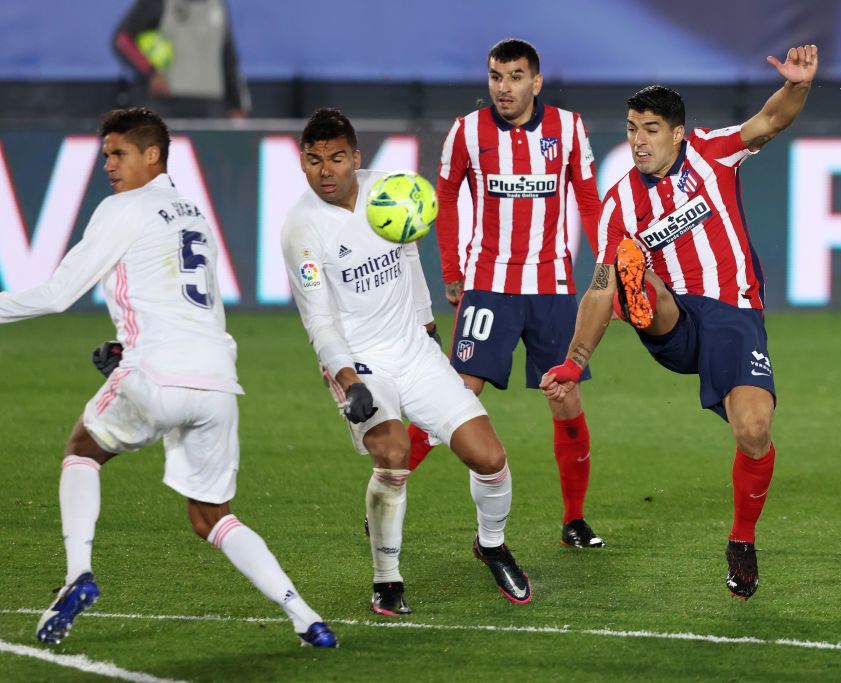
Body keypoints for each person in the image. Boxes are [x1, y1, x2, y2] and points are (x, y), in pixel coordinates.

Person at [0, 108, 336, 648]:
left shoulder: (122, 209)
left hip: (156, 372)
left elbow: (56, 295)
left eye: (118, 153)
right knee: (212, 516)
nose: (107, 164)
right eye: (105, 154)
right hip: (218, 382)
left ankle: (78, 575)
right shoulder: (191, 212)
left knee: (83, 449)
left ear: (151, 154)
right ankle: (306, 617)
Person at [541, 45, 820, 599]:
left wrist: (799, 85)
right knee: (625, 268)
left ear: (678, 134)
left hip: (733, 315)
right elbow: (597, 286)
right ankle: (638, 299)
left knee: (754, 430)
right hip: (674, 320)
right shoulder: (621, 202)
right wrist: (574, 362)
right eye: (631, 129)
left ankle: (742, 540)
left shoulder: (713, 153)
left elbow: (772, 119)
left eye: (649, 129)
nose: (638, 140)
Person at [280, 108, 532, 614]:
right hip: (359, 363)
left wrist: (427, 326)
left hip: (414, 351)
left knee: (490, 457)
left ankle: (490, 545)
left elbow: (410, 255)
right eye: (312, 161)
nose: (324, 171)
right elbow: (319, 320)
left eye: (334, 158)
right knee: (393, 454)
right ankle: (387, 579)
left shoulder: (391, 192)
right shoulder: (300, 231)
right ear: (302, 163)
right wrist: (348, 380)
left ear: (356, 156)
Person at [407, 38, 606, 549]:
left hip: (552, 287)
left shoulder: (568, 128)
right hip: (489, 286)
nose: (504, 87)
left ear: (535, 82)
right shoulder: (466, 132)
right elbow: (446, 198)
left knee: (564, 396)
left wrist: (607, 266)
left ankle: (574, 520)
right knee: (454, 396)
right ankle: (390, 483)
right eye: (496, 76)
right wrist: (452, 269)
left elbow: (588, 197)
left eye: (515, 76)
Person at [112, 0, 250, 118]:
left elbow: (227, 55)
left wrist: (236, 105)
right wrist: (150, 74)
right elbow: (123, 40)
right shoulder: (158, 2)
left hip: (212, 104)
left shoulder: (217, 4)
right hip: (168, 102)